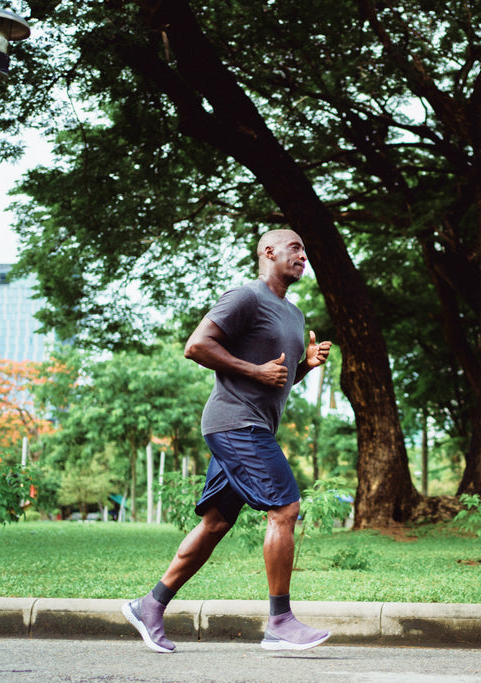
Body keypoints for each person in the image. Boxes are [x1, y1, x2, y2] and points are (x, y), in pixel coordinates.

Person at [123, 229, 333, 653]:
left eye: (305, 249)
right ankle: (280, 622)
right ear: (268, 252)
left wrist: (305, 366)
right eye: (296, 247)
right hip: (235, 424)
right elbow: (197, 346)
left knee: (216, 523)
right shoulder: (245, 297)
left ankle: (150, 604)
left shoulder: (293, 314)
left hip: (251, 425)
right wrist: (254, 372)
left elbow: (278, 377)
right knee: (284, 509)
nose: (303, 255)